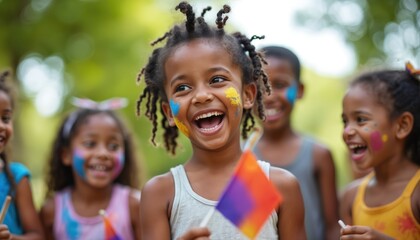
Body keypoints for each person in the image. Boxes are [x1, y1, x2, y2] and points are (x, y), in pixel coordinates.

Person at [136, 2, 306, 239]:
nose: (202, 96)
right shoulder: (161, 193)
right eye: (183, 87)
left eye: (216, 80)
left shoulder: (280, 186)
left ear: (248, 95)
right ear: (169, 112)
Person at [253, 45, 340, 240]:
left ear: (299, 90)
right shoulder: (242, 156)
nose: (269, 96)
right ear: (249, 93)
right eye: (260, 87)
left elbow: (332, 225)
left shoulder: (319, 155)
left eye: (280, 85)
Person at [39, 97, 142, 240]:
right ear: (66, 155)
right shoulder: (52, 211)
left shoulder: (135, 206)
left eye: (113, 146)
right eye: (90, 144)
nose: (103, 153)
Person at [339, 62, 420, 239]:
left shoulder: (416, 192)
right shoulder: (351, 197)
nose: (347, 131)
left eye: (360, 119)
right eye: (345, 121)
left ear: (402, 125)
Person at [0, 70, 44, 240]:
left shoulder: (17, 178)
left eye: (5, 118)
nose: (2, 126)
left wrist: (10, 238)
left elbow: (38, 236)